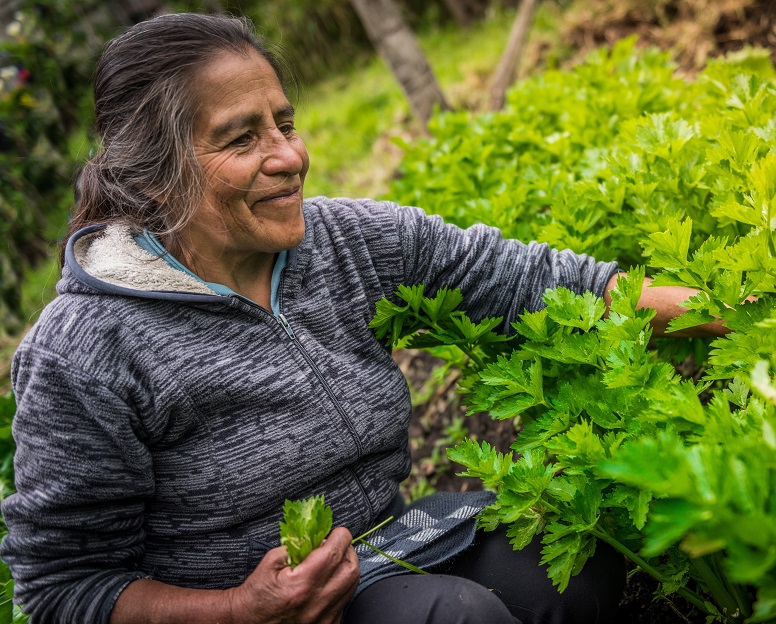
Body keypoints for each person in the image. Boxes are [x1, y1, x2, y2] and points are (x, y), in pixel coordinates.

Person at [0, 12, 726, 624]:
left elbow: (532, 283)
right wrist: (239, 609)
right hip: (258, 612)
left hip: (392, 542)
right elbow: (65, 587)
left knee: (577, 562)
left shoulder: (349, 241)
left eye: (284, 123)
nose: (288, 156)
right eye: (242, 137)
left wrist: (743, 313)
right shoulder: (85, 351)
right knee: (456, 618)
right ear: (158, 173)